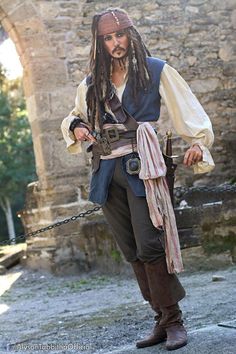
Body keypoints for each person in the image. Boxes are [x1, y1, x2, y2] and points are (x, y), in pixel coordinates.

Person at [61, 8, 214, 351]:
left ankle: (174, 320)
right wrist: (77, 126)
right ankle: (159, 319)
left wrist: (198, 145)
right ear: (100, 43)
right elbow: (74, 117)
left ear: (132, 35)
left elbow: (189, 113)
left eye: (120, 35)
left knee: (149, 244)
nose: (116, 43)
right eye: (109, 38)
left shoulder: (156, 71)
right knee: (131, 249)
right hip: (106, 171)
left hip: (142, 166)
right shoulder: (91, 83)